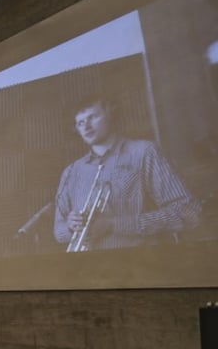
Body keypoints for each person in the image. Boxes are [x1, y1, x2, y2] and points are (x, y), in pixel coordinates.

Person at [53, 96, 200, 251]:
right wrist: (70, 227)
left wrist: (114, 224)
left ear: (110, 115)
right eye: (80, 123)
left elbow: (188, 212)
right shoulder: (71, 171)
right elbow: (58, 232)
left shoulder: (144, 152)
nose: (86, 127)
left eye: (93, 117)